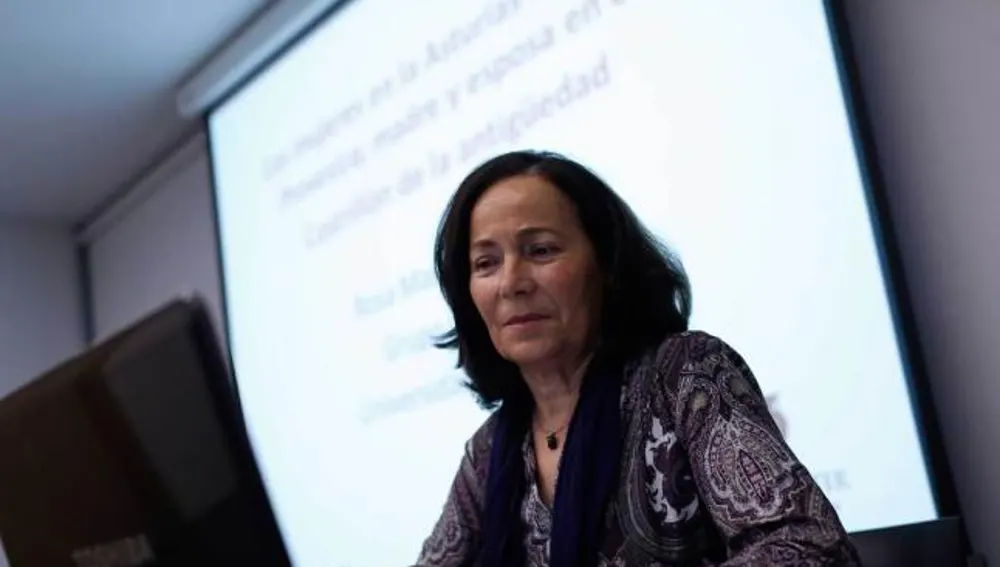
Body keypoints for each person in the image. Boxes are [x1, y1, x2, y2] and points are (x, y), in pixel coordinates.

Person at [417, 150, 860, 567]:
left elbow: (808, 547)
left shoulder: (684, 375)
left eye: (541, 250)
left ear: (606, 265)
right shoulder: (491, 451)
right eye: (486, 263)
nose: (511, 282)